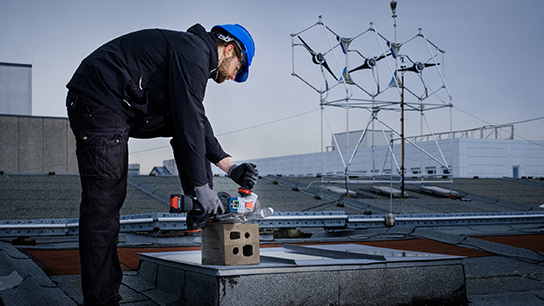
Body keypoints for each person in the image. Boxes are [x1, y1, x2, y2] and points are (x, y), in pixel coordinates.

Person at [65, 23, 259, 306]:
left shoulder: (190, 52)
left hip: (120, 103)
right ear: (229, 50)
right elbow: (189, 119)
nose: (233, 77)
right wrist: (202, 186)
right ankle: (101, 300)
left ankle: (200, 206)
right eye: (238, 69)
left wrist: (228, 165)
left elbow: (195, 117)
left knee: (186, 122)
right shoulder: (194, 52)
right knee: (104, 201)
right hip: (100, 100)